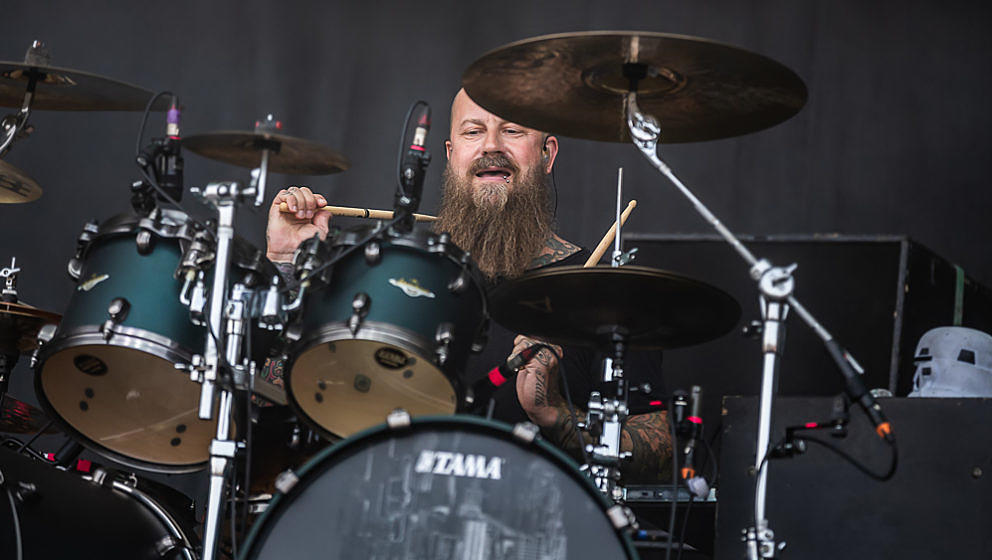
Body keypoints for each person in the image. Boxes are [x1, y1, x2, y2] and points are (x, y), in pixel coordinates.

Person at [264, 89, 672, 482]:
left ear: (547, 154)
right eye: (473, 131)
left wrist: (554, 413)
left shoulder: (600, 287)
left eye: (512, 131)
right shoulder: (392, 275)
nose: (491, 146)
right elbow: (275, 397)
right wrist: (287, 266)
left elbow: (662, 450)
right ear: (451, 154)